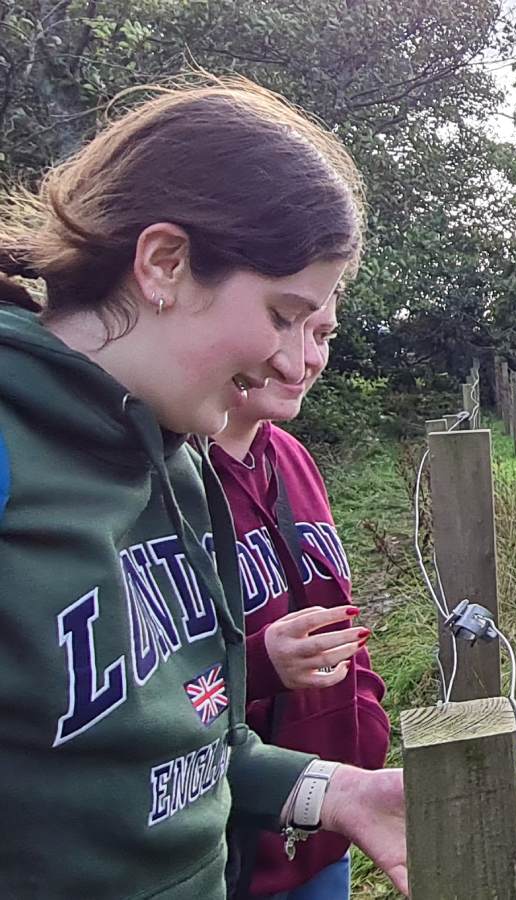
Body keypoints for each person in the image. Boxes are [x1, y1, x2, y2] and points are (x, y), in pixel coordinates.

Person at [0, 77, 408, 897]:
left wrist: (342, 792)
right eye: (283, 314)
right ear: (164, 263)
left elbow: (194, 747)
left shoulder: (180, 465)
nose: (293, 363)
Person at [210, 291, 388, 900]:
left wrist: (365, 731)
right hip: (231, 841)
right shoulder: (165, 475)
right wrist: (259, 665)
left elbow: (340, 613)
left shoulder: (290, 457)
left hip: (327, 817)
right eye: (285, 325)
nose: (305, 359)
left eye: (325, 334)